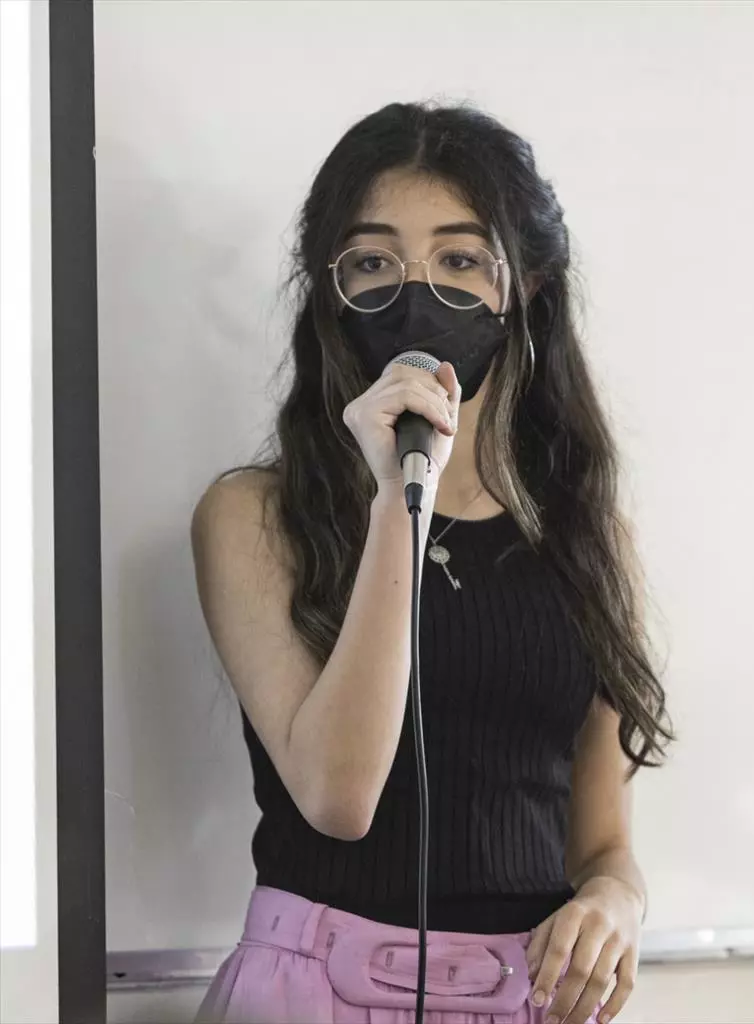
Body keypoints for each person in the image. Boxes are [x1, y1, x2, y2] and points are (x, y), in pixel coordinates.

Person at [190, 101, 671, 1024]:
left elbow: (601, 843)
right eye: (373, 263)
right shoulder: (254, 516)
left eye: (460, 261)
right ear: (331, 291)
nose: (418, 297)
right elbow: (339, 797)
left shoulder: (588, 537)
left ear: (525, 287)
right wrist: (395, 500)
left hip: (526, 998)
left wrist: (617, 901)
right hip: (316, 990)